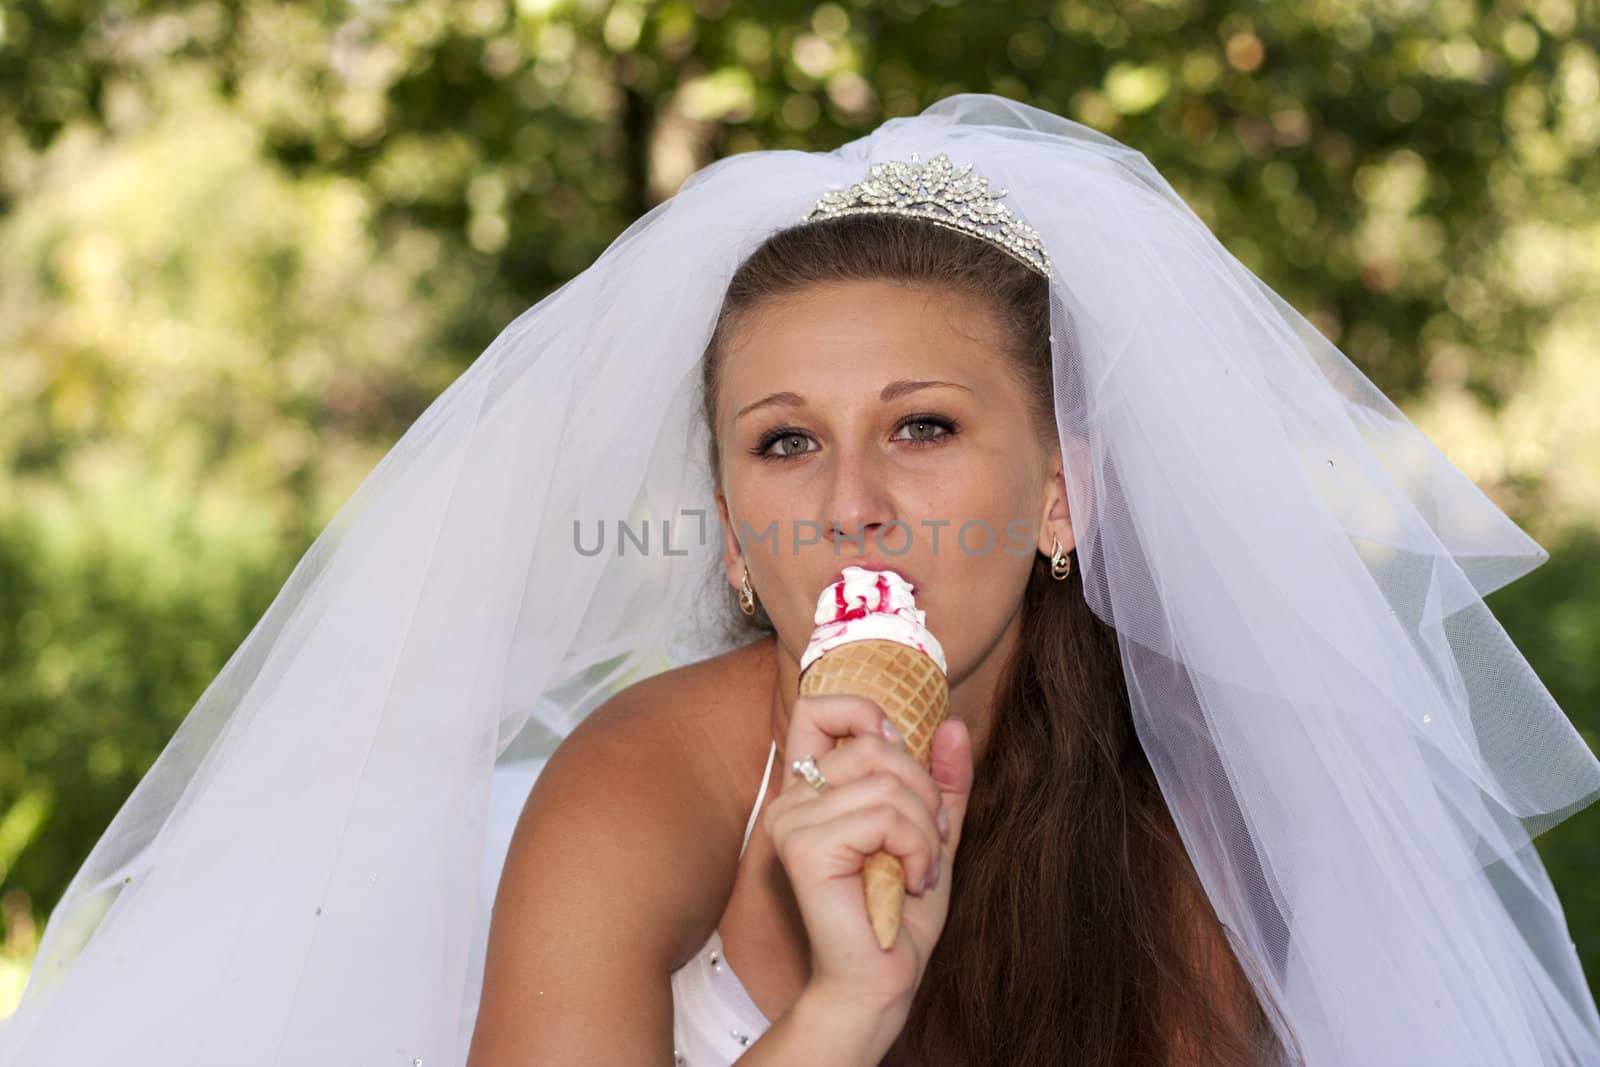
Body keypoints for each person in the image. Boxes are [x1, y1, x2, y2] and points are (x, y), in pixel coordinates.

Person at [2, 93, 1598, 1067]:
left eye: (923, 427)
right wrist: (839, 1015)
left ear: (1060, 494)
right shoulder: (636, 787)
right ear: (726, 516)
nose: (849, 506)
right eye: (781, 446)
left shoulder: (1202, 807)